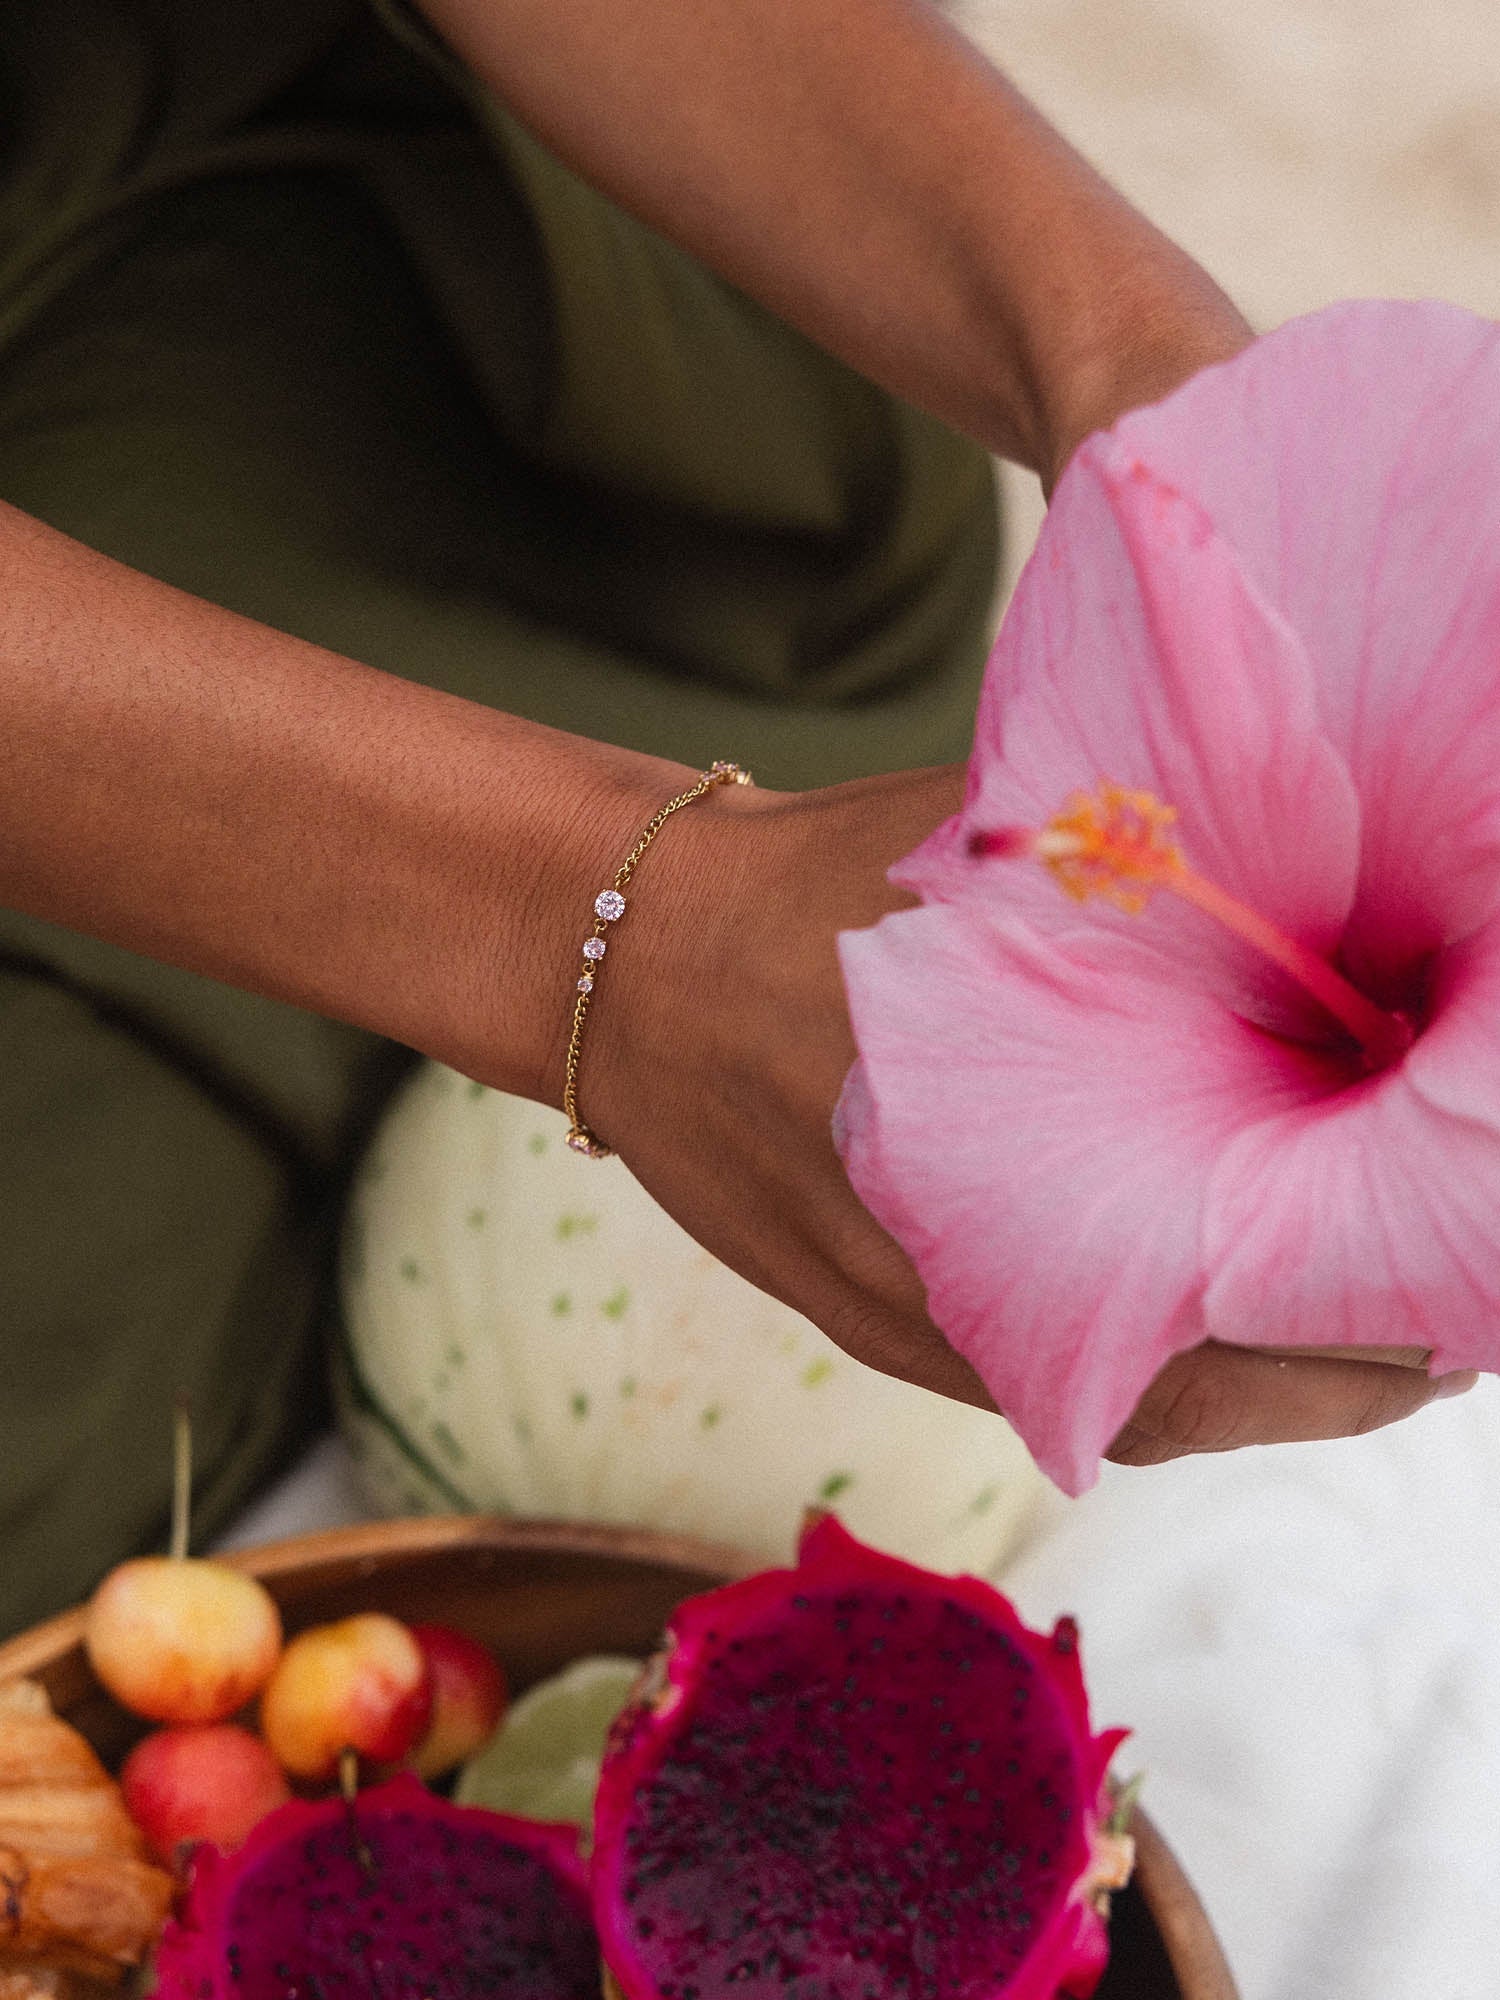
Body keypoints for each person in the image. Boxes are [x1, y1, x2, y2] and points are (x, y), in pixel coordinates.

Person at [0, 0, 1455, 1636]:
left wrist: (1147, 387)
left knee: (792, 554)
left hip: (329, 212)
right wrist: (609, 942)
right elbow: (634, 932)